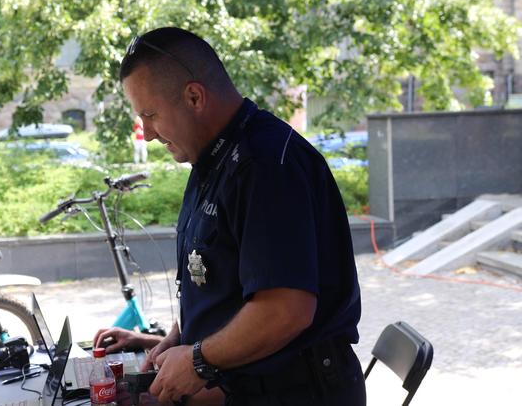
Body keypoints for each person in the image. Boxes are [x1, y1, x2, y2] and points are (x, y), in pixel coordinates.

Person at [95, 27, 365, 406]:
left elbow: (285, 310)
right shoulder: (213, 159)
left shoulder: (265, 166)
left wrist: (196, 359)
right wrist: (174, 339)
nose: (150, 134)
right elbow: (220, 282)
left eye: (151, 115)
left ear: (194, 96)